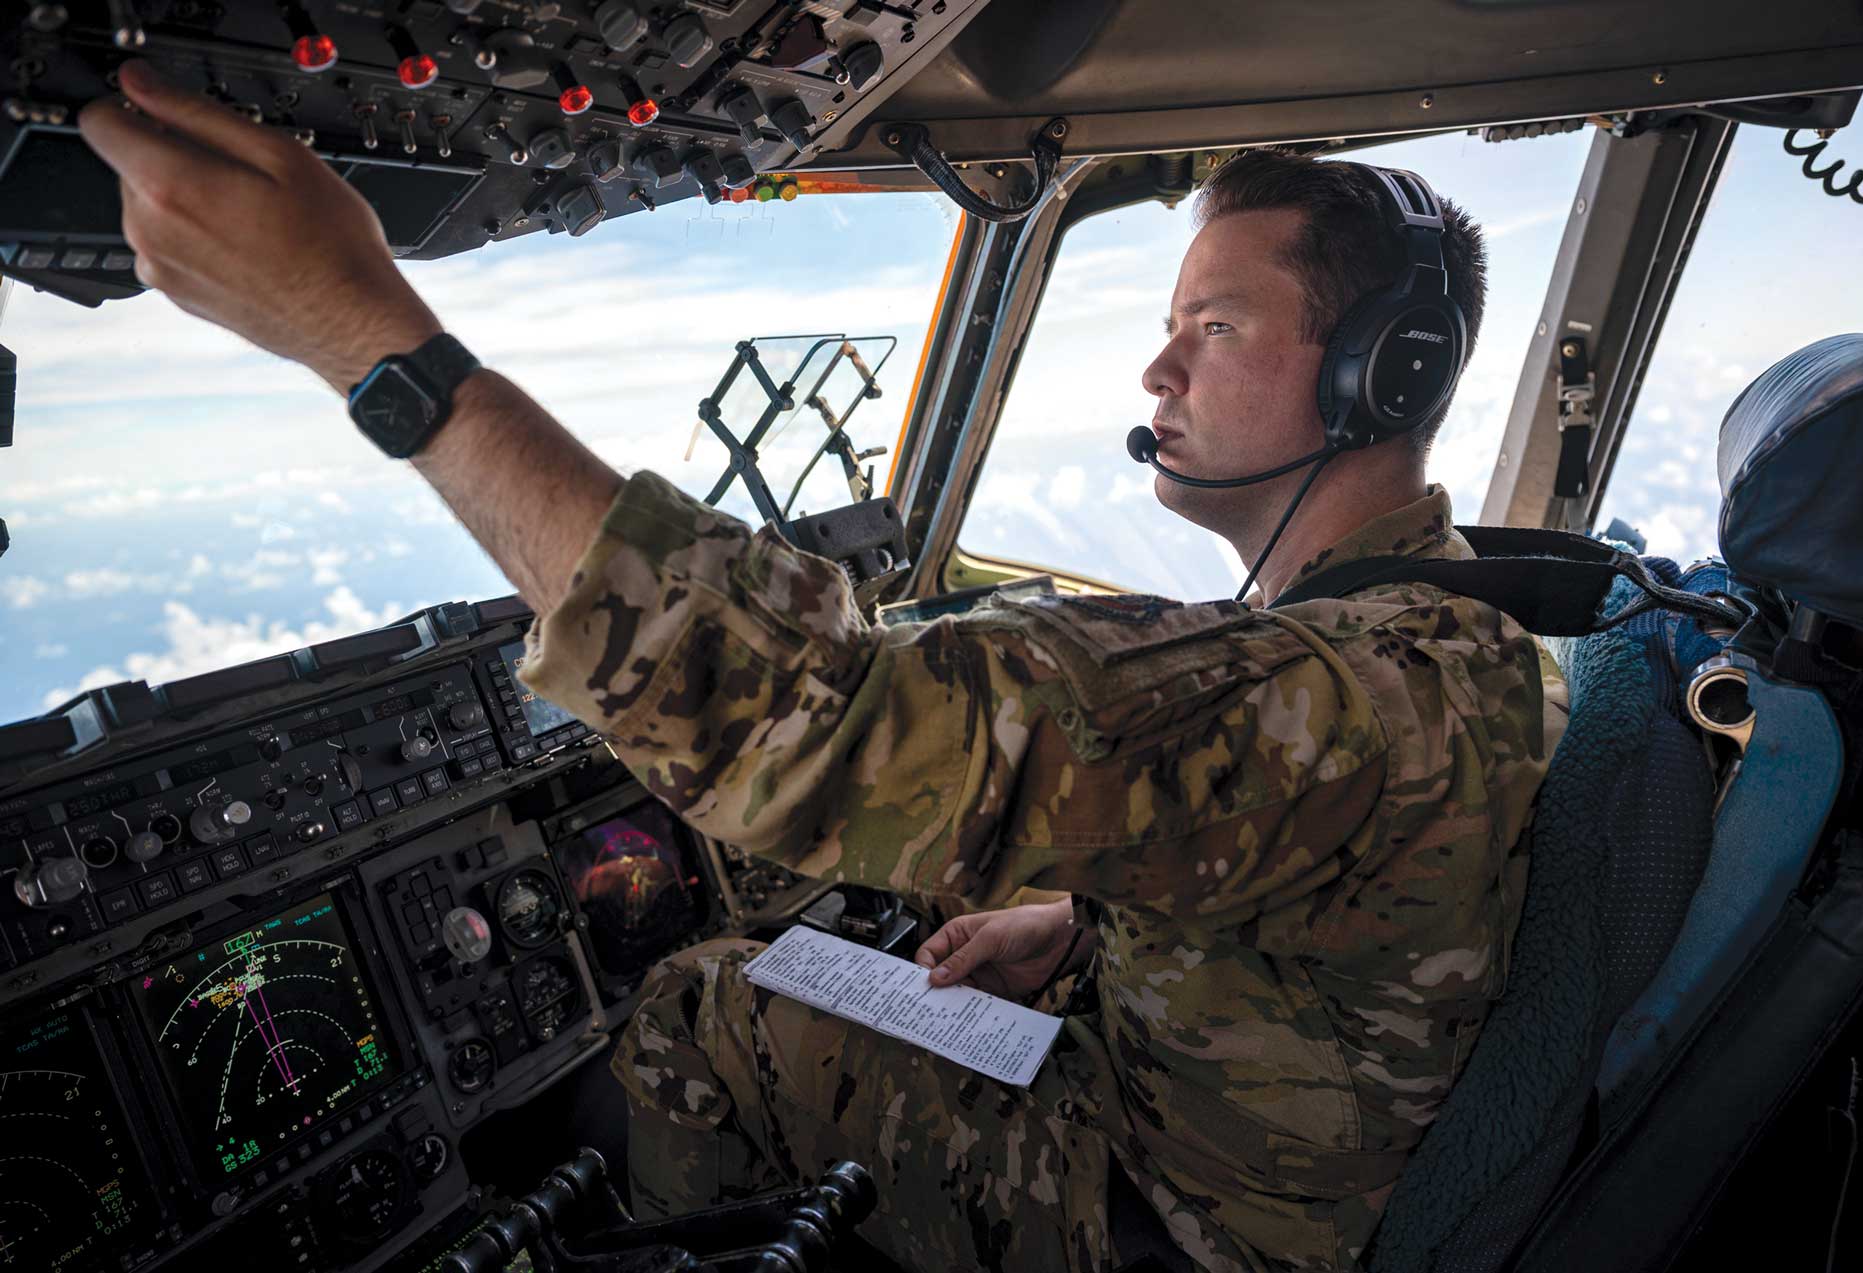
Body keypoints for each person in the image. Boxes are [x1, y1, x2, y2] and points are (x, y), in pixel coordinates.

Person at [77, 62, 1568, 1273]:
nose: (1157, 373)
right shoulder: (1456, 635)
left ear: (1392, 374)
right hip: (1255, 1144)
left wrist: (366, 333)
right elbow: (1308, 857)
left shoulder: (1335, 689)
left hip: (1170, 1217)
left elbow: (825, 727)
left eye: (1214, 327)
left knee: (712, 1003)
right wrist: (1084, 915)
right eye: (1168, 326)